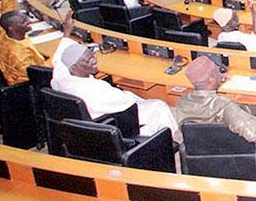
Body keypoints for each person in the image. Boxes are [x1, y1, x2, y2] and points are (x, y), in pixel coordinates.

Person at [51, 12, 180, 139]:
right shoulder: (96, 90)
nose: (94, 61)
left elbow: (58, 57)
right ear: (75, 67)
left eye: (92, 56)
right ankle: (171, 141)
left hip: (88, 123)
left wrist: (66, 32)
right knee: (159, 106)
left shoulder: (60, 75)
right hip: (114, 124)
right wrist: (139, 98)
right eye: (88, 61)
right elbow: (129, 103)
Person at [176, 56, 256, 143]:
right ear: (211, 79)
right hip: (231, 148)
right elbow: (254, 134)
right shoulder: (223, 105)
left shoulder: (182, 102)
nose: (221, 74)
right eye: (218, 71)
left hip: (199, 149)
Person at [0, 7, 45, 85]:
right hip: (27, 83)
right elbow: (37, 74)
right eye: (23, 22)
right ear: (12, 28)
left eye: (26, 18)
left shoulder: (1, 34)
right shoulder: (19, 53)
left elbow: (7, 11)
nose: (30, 21)